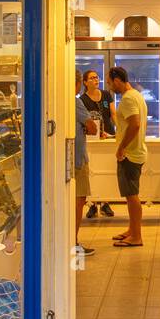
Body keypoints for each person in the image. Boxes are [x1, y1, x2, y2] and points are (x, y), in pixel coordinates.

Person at [109, 65, 148, 247]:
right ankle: (132, 230)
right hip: (135, 152)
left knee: (132, 196)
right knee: (131, 195)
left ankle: (136, 236)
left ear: (117, 81)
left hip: (130, 155)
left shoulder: (128, 99)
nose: (110, 87)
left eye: (110, 83)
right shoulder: (137, 95)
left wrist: (121, 147)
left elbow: (135, 124)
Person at [79, 69, 115, 219]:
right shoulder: (82, 99)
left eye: (97, 77)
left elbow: (113, 113)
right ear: (85, 82)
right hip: (93, 139)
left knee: (108, 167)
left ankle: (106, 202)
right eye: (92, 78)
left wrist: (118, 131)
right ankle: (93, 204)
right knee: (95, 170)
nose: (96, 80)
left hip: (109, 135)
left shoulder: (106, 95)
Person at [74, 70, 100, 255]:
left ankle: (69, 239)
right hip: (77, 159)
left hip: (68, 158)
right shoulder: (76, 101)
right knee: (79, 199)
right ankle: (73, 241)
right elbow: (92, 127)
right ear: (80, 83)